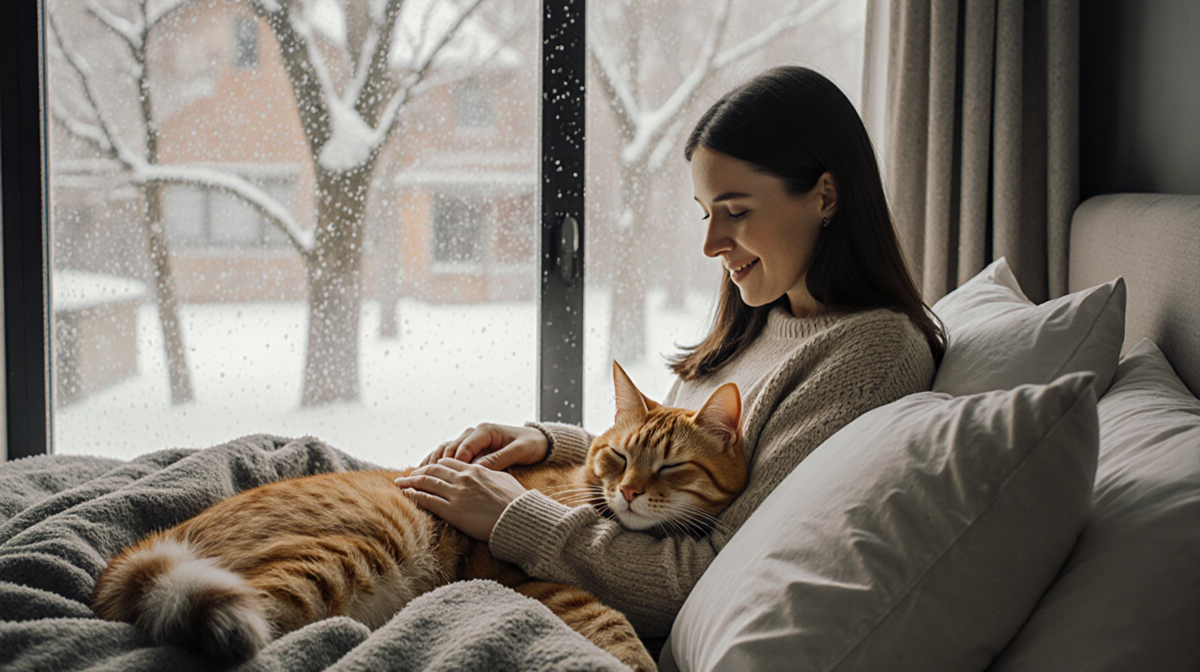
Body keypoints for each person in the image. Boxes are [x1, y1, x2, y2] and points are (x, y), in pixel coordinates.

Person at [393, 66, 945, 639]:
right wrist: (553, 445)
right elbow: (667, 469)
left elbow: (706, 574)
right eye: (707, 214)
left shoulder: (871, 355)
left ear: (825, 196)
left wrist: (517, 518)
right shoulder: (763, 318)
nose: (710, 245)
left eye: (736, 211)